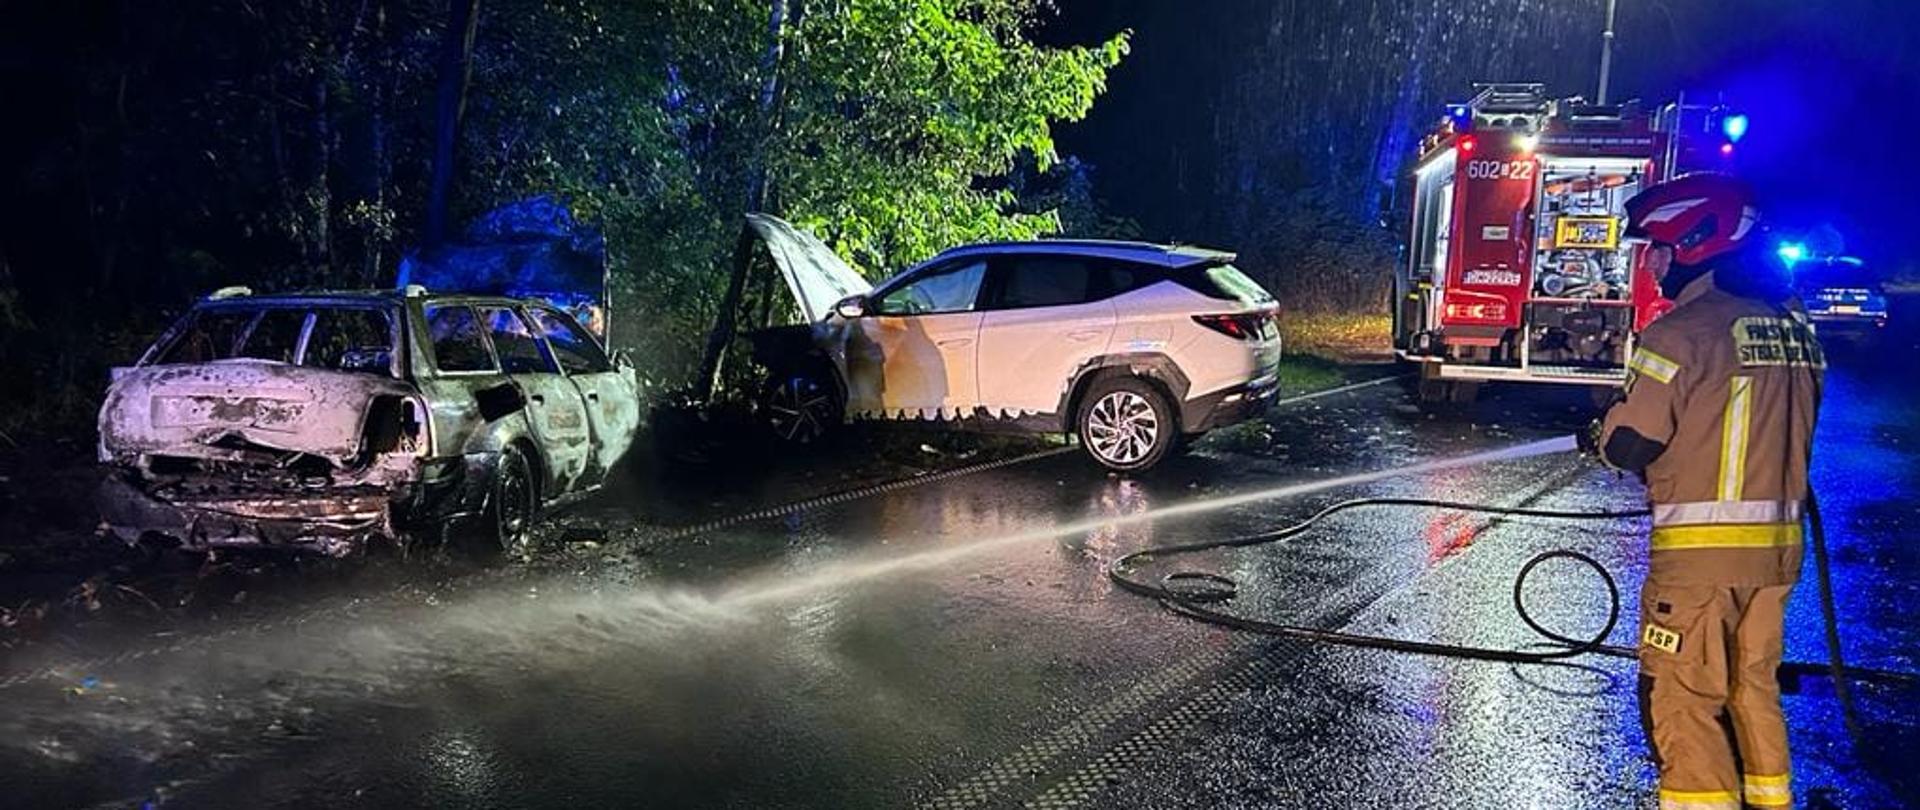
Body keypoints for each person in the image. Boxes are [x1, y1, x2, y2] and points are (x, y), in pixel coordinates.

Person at [1582, 173, 1824, 810]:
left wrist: (1601, 430)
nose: (1652, 265)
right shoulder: (1792, 328)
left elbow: (1630, 445)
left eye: (1657, 250)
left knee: (1683, 698)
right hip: (1776, 557)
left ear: (1693, 244)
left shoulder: (1681, 334)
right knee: (1751, 689)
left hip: (1700, 562)